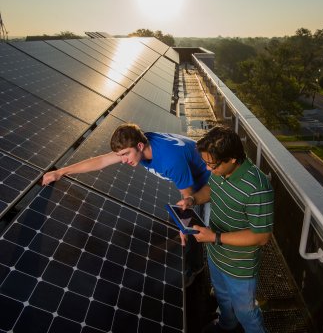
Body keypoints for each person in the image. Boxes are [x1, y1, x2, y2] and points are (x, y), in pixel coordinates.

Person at [42, 123, 210, 284]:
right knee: (180, 225)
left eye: (126, 154)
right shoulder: (139, 142)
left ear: (140, 146)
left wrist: (184, 227)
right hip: (190, 174)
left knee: (187, 230)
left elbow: (188, 198)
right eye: (120, 155)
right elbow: (100, 161)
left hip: (210, 182)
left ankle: (195, 268)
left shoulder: (170, 161)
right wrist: (60, 172)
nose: (123, 160)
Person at [178, 126, 274, 333]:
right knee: (222, 297)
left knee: (246, 312)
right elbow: (211, 190)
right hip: (215, 254)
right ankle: (226, 326)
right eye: (205, 163)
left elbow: (262, 236)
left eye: (211, 165)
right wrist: (193, 199)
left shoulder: (258, 188)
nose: (208, 169)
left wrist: (215, 237)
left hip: (239, 267)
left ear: (231, 159)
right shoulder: (220, 171)